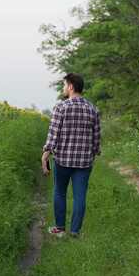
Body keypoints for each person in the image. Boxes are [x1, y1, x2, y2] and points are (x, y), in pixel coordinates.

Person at [41, 73, 101, 238]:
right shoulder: (92, 109)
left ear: (71, 87)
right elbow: (96, 138)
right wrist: (93, 154)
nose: (63, 88)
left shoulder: (61, 107)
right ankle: (75, 231)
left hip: (62, 160)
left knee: (60, 192)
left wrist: (45, 155)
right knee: (80, 196)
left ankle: (60, 229)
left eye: (64, 85)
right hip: (84, 162)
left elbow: (53, 135)